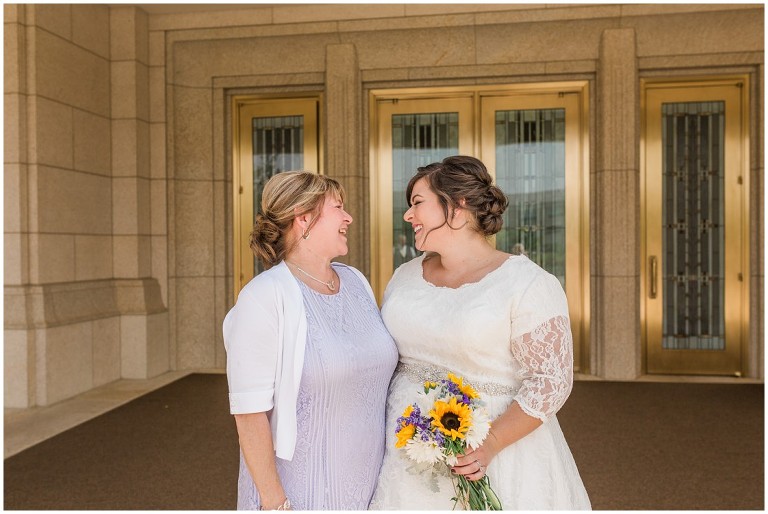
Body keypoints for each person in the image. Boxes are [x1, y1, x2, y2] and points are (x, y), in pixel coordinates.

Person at [370, 156, 591, 510]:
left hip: (491, 452)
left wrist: (490, 444)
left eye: (417, 203)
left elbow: (551, 381)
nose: (408, 216)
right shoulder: (404, 276)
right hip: (404, 451)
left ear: (457, 207)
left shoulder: (528, 283)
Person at [223, 171, 398, 510]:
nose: (348, 217)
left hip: (370, 482)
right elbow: (249, 414)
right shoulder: (263, 296)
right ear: (303, 217)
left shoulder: (356, 281)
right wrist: (276, 502)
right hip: (304, 491)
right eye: (338, 207)